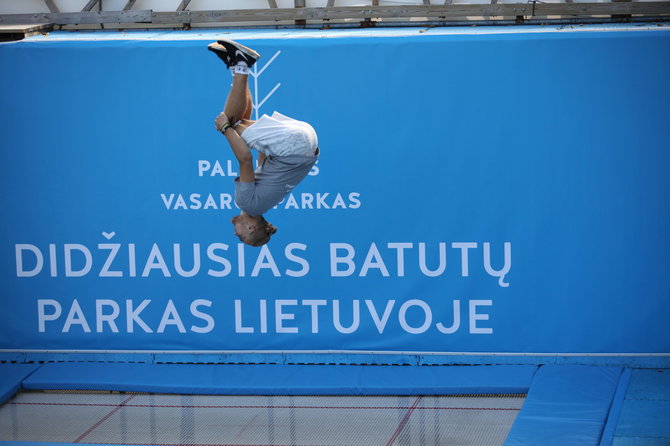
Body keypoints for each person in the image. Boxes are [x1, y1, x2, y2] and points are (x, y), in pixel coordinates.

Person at [207, 39, 320, 247]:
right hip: (293, 146)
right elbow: (244, 159)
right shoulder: (246, 203)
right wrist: (224, 129)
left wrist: (238, 133)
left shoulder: (266, 203)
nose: (236, 235)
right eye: (242, 237)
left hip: (307, 141)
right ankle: (241, 64)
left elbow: (260, 158)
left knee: (238, 122)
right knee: (228, 123)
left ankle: (238, 66)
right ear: (251, 228)